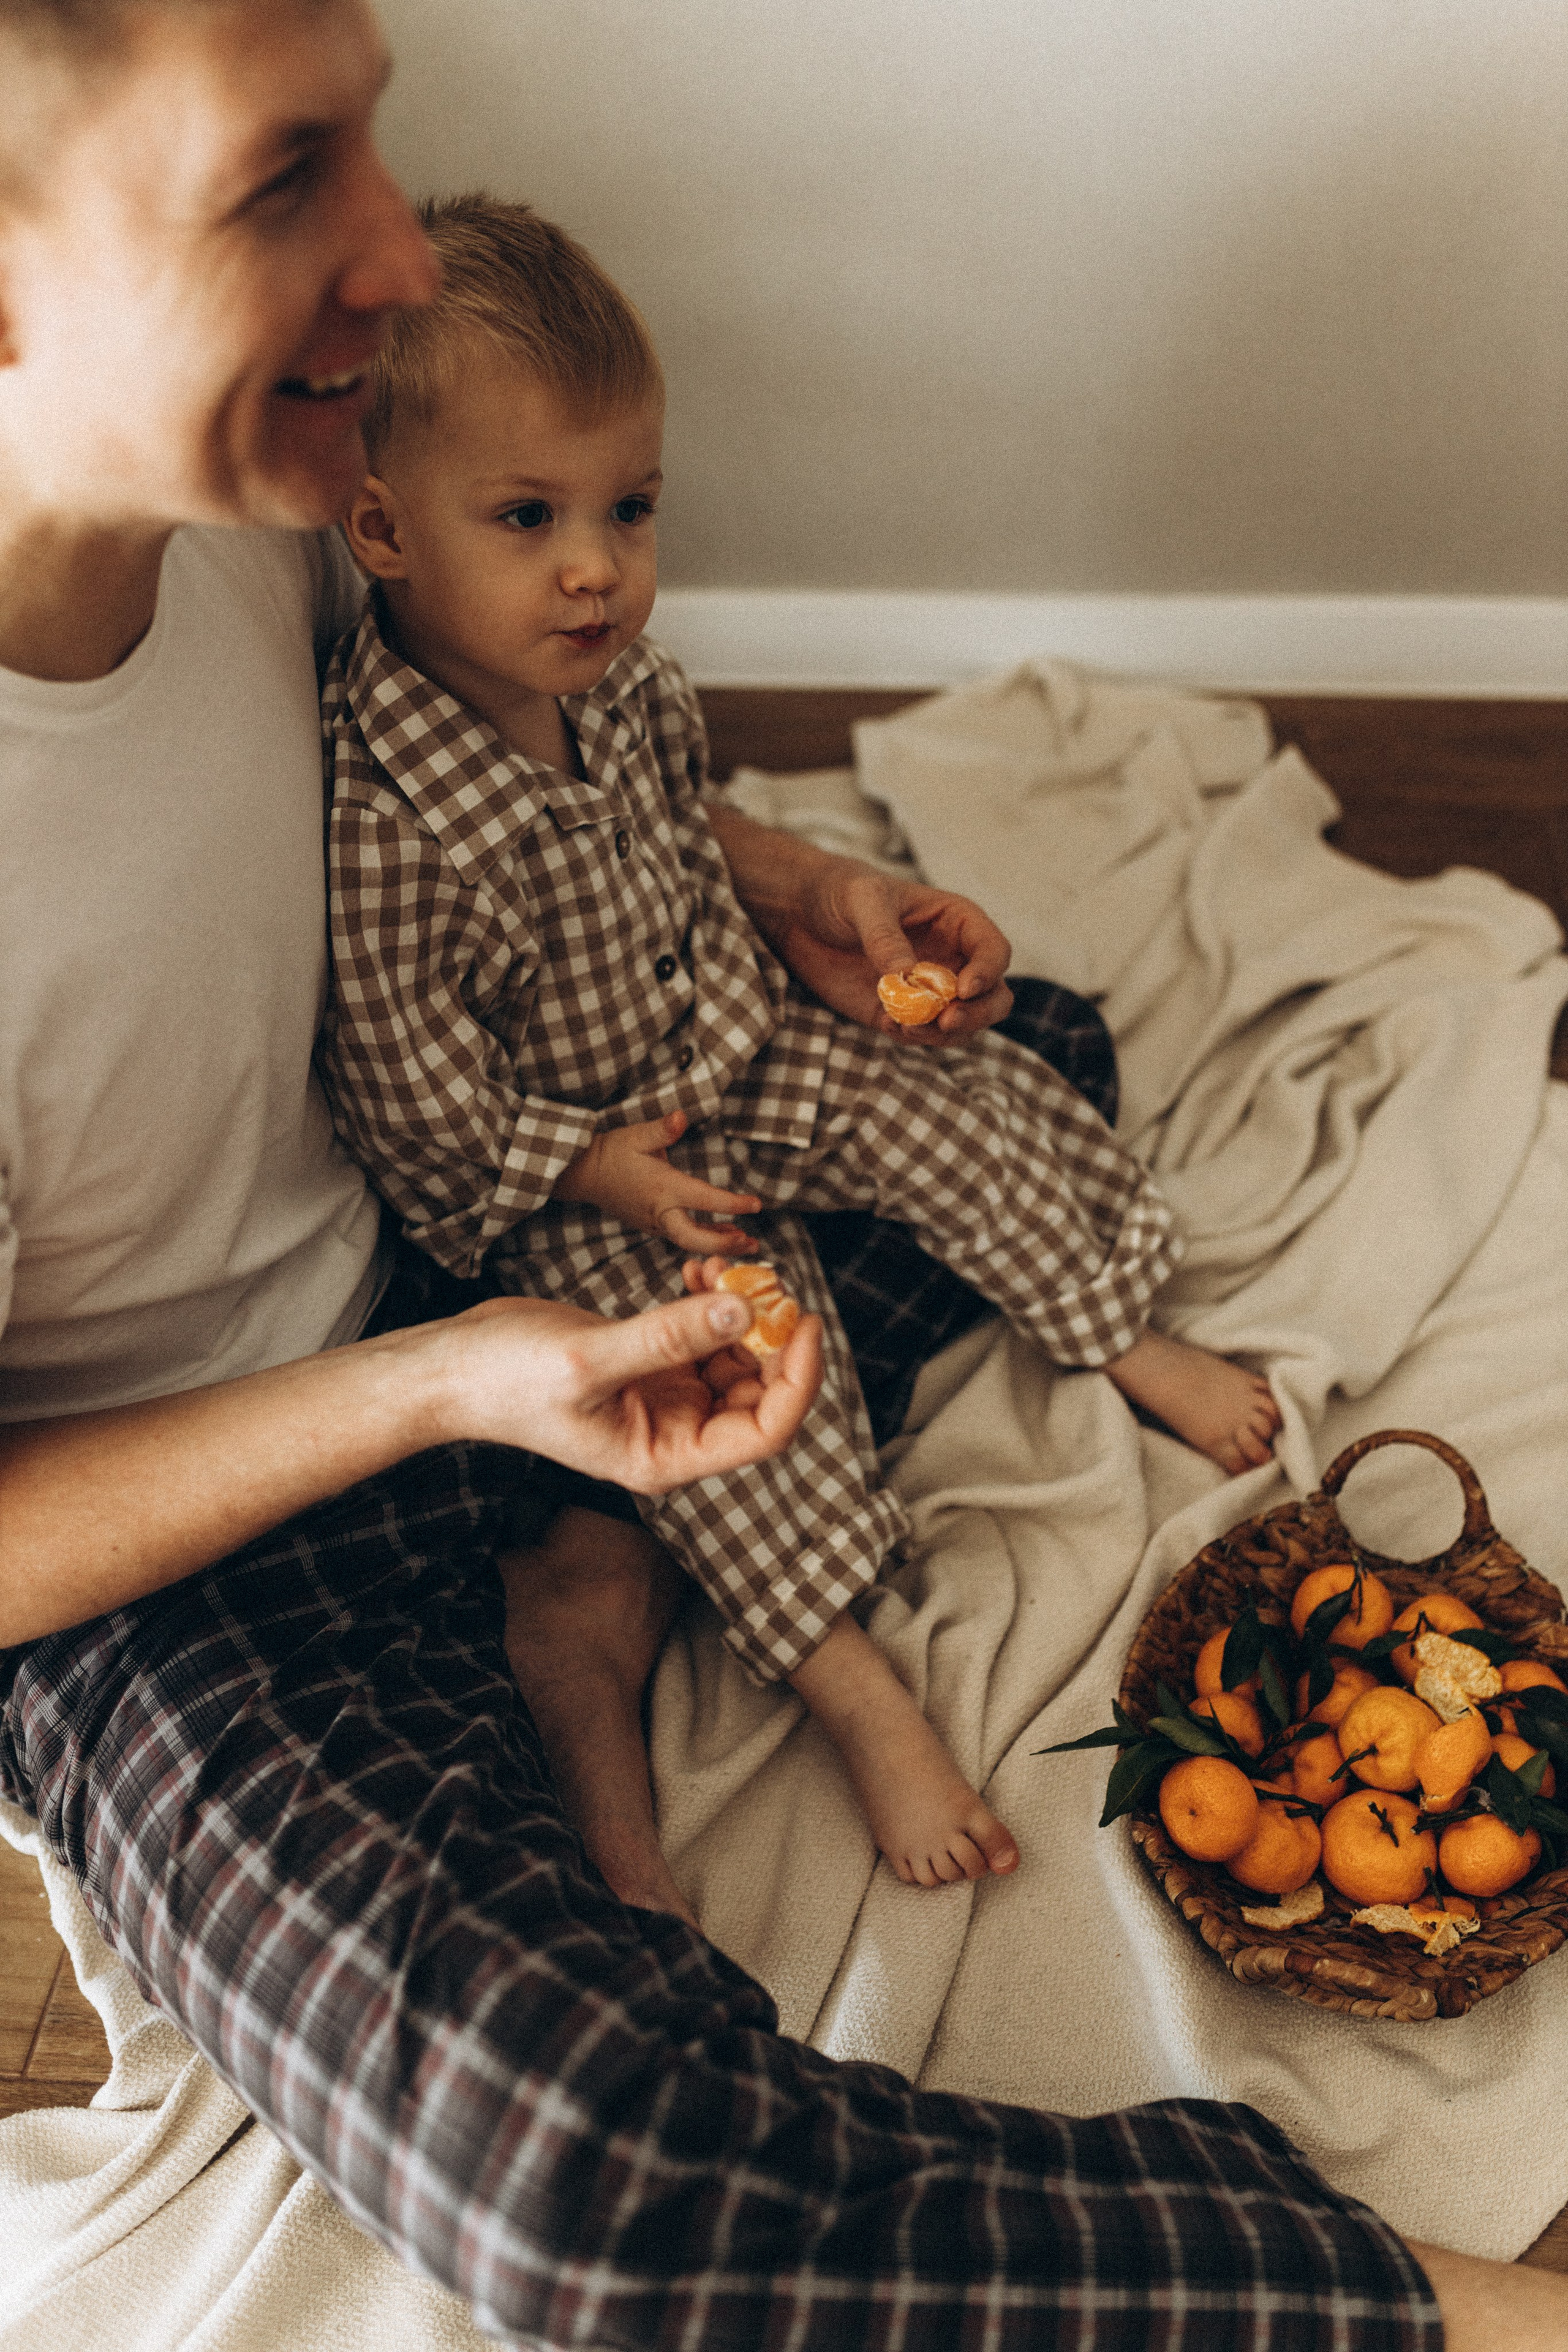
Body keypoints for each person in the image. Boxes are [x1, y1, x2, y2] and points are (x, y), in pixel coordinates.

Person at [0, 1, 1558, 2342]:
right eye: (279, 179)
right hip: (214, 1531)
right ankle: (1419, 2303)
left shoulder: (288, 489)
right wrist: (441, 1388)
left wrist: (782, 888)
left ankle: (590, 1573)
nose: (396, 252)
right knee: (582, 2193)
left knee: (1041, 1060)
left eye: (375, 142)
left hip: (502, 1240)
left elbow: (550, 782)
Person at [314, 192, 1283, 1897]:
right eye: (528, 516)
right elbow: (410, 1090)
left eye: (630, 506)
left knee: (981, 1096)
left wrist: (818, 904)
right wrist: (594, 1165)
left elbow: (679, 835)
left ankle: (1115, 1322)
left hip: (734, 1048)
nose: (596, 563)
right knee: (746, 1390)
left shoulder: (626, 683)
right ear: (384, 532)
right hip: (581, 1173)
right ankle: (853, 1689)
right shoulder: (390, 817)